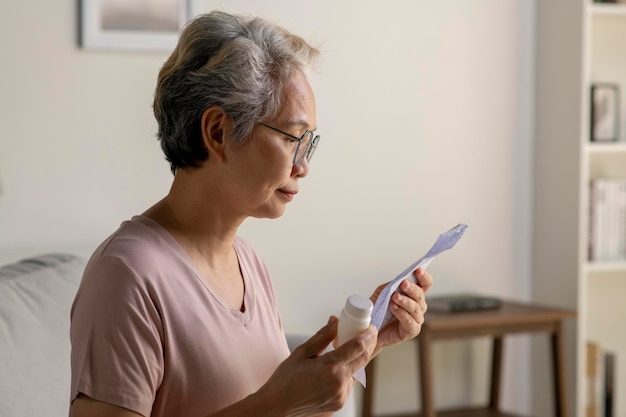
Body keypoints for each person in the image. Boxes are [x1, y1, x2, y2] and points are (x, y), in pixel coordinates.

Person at [69, 10, 432, 417]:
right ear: (218, 132)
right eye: (294, 138)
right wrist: (278, 403)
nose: (303, 166)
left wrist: (368, 340)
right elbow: (270, 405)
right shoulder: (127, 275)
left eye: (309, 143)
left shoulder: (249, 265)